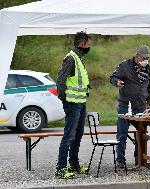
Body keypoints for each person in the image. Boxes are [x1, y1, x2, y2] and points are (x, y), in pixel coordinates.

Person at [55, 31, 91, 179]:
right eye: (88, 44)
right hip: (72, 103)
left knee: (78, 135)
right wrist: (65, 100)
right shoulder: (71, 58)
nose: (89, 47)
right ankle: (61, 168)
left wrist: (86, 91)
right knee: (69, 136)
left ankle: (73, 164)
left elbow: (78, 80)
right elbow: (61, 80)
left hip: (81, 102)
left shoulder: (79, 58)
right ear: (81, 44)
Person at [110, 45, 150, 168]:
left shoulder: (148, 68)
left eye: (148, 58)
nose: (146, 60)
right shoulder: (124, 65)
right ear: (137, 56)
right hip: (125, 104)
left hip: (140, 105)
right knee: (122, 132)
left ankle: (139, 159)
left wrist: (149, 101)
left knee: (141, 133)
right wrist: (117, 82)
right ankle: (120, 160)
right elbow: (113, 77)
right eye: (144, 58)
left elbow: (149, 86)